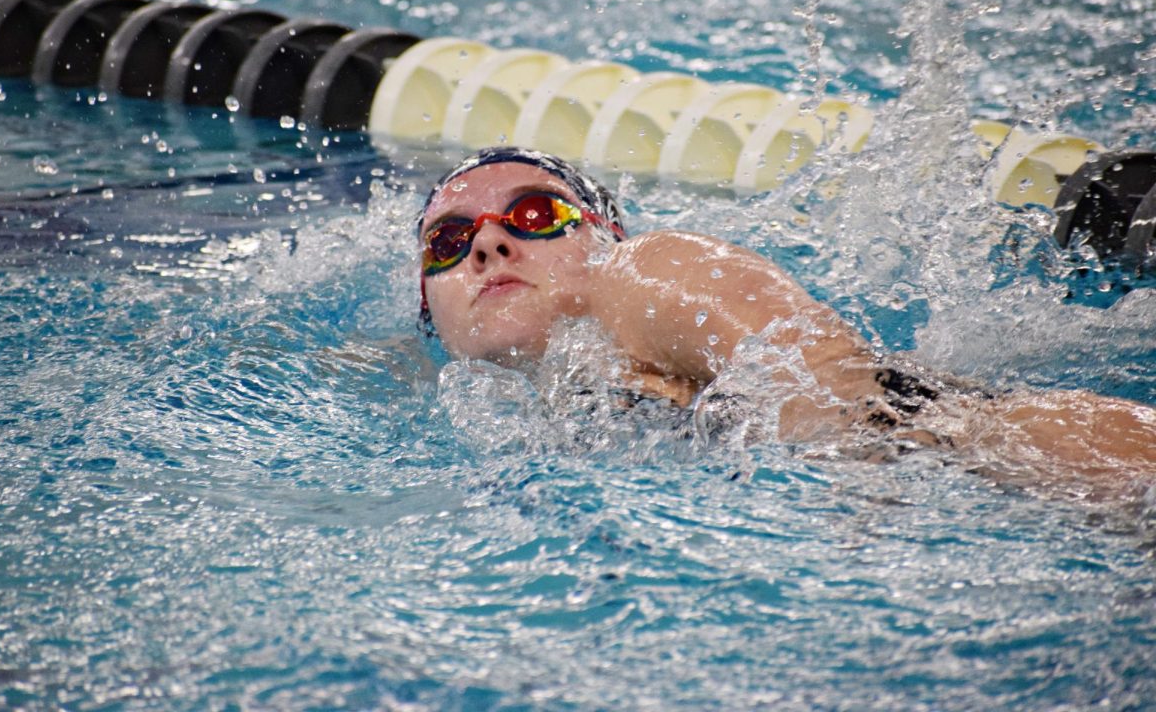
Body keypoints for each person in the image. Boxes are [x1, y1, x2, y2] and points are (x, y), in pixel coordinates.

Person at [416, 147, 1156, 493]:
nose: (486, 242)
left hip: (1047, 462)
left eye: (536, 214)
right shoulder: (475, 405)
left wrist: (861, 507)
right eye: (448, 241)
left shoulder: (637, 273)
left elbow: (810, 361)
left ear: (601, 235)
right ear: (429, 307)